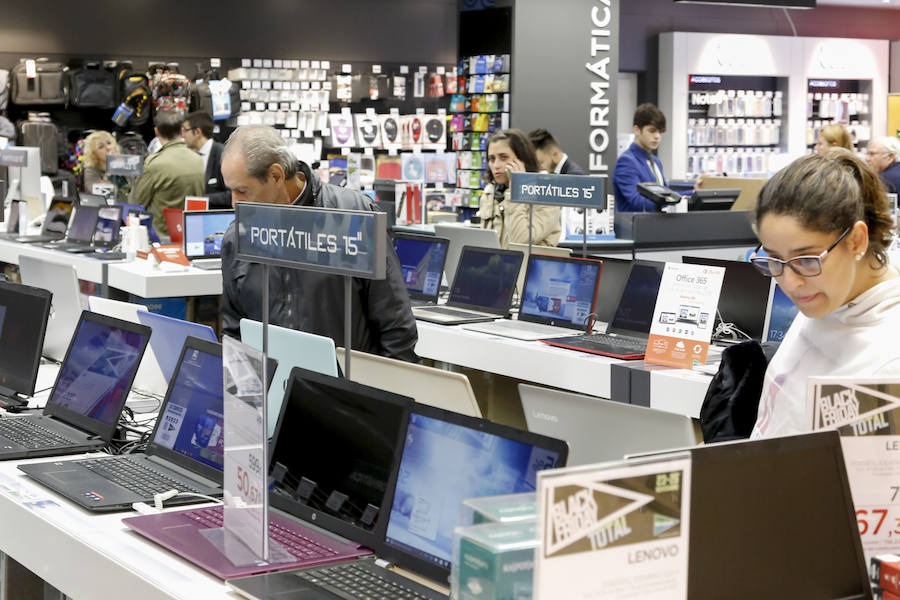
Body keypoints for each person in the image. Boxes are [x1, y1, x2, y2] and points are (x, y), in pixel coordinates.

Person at [219, 124, 418, 362]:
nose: (234, 202)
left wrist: (385, 392)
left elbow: (395, 322)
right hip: (275, 392)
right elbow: (234, 329)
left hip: (344, 392)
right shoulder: (238, 235)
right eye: (230, 190)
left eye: (242, 191)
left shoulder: (353, 217)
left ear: (275, 175)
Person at [748, 149, 900, 439]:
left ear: (856, 240)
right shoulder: (828, 299)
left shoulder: (891, 356)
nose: (790, 283)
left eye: (806, 260)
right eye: (774, 261)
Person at [477, 128, 561, 248]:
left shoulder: (546, 195)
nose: (496, 165)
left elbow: (520, 240)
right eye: (492, 159)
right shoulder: (490, 193)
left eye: (503, 157)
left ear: (522, 159)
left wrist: (516, 189)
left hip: (529, 265)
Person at [133, 110, 204, 236]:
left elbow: (137, 202)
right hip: (193, 235)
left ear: (157, 132)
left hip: (162, 239)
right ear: (182, 131)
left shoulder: (155, 164)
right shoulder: (199, 160)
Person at [613, 103, 668, 212]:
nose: (657, 136)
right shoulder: (626, 162)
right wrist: (670, 205)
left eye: (660, 131)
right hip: (636, 226)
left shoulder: (656, 161)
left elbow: (667, 193)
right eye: (652, 131)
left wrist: (692, 194)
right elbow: (636, 200)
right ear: (637, 130)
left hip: (658, 225)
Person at [181, 111, 231, 208]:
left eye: (185, 131)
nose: (183, 136)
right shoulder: (191, 155)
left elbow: (231, 195)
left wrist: (201, 199)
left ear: (197, 132)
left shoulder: (222, 155)